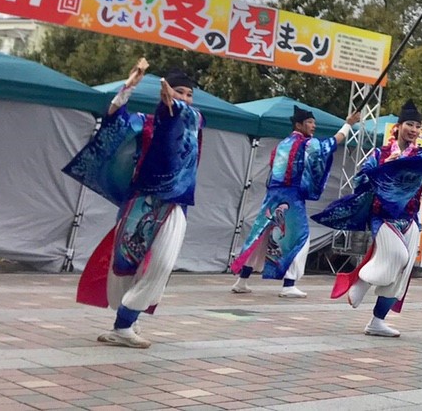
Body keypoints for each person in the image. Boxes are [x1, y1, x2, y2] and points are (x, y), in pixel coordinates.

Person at [62, 60, 202, 349]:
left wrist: (173, 109)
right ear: (166, 91)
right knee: (129, 261)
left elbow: (178, 125)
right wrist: (129, 86)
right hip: (142, 201)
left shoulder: (192, 122)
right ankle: (124, 324)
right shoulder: (145, 122)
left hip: (175, 203)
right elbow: (113, 121)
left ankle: (126, 321)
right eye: (180, 92)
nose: (185, 98)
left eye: (189, 94)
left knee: (161, 264)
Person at [313, 100, 422, 337]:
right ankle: (360, 281)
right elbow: (361, 181)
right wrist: (386, 168)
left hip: (409, 219)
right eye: (409, 124)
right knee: (397, 255)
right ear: (399, 126)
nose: (413, 130)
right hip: (382, 217)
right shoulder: (379, 153)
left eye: (417, 126)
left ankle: (377, 321)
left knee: (401, 272)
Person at [230, 105, 360, 297]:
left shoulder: (283, 144)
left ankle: (242, 281)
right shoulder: (307, 144)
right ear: (299, 125)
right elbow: (331, 144)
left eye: (314, 123)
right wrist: (348, 124)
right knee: (300, 238)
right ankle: (289, 284)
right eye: (309, 122)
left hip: (273, 195)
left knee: (262, 235)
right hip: (290, 197)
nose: (313, 126)